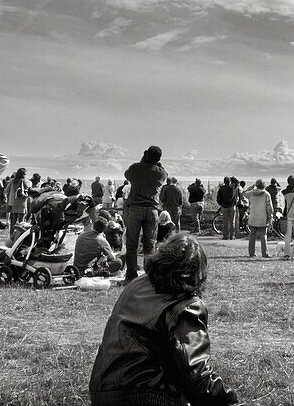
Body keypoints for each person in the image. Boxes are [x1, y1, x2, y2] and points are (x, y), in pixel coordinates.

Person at [89, 234, 239, 406]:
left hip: (103, 389)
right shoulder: (185, 305)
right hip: (143, 394)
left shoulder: (137, 284)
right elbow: (196, 376)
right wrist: (230, 401)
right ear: (197, 273)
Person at [121, 146, 168, 281]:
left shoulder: (136, 168)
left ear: (146, 155)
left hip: (135, 208)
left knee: (132, 244)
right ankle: (148, 276)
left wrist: (143, 161)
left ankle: (131, 274)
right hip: (152, 210)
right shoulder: (160, 172)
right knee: (150, 244)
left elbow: (127, 174)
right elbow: (165, 174)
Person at [243, 180, 273, 259]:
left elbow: (243, 193)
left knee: (252, 235)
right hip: (263, 217)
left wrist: (250, 187)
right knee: (263, 236)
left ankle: (251, 253)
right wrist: (270, 217)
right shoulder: (266, 194)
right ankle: (265, 253)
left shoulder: (251, 193)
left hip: (253, 217)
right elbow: (269, 207)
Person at [216, 176, 237, 241]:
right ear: (229, 181)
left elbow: (218, 198)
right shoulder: (233, 187)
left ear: (224, 181)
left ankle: (225, 236)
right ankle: (232, 236)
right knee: (232, 222)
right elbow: (237, 182)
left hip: (224, 207)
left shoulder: (221, 188)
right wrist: (232, 178)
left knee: (225, 222)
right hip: (232, 206)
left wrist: (221, 204)